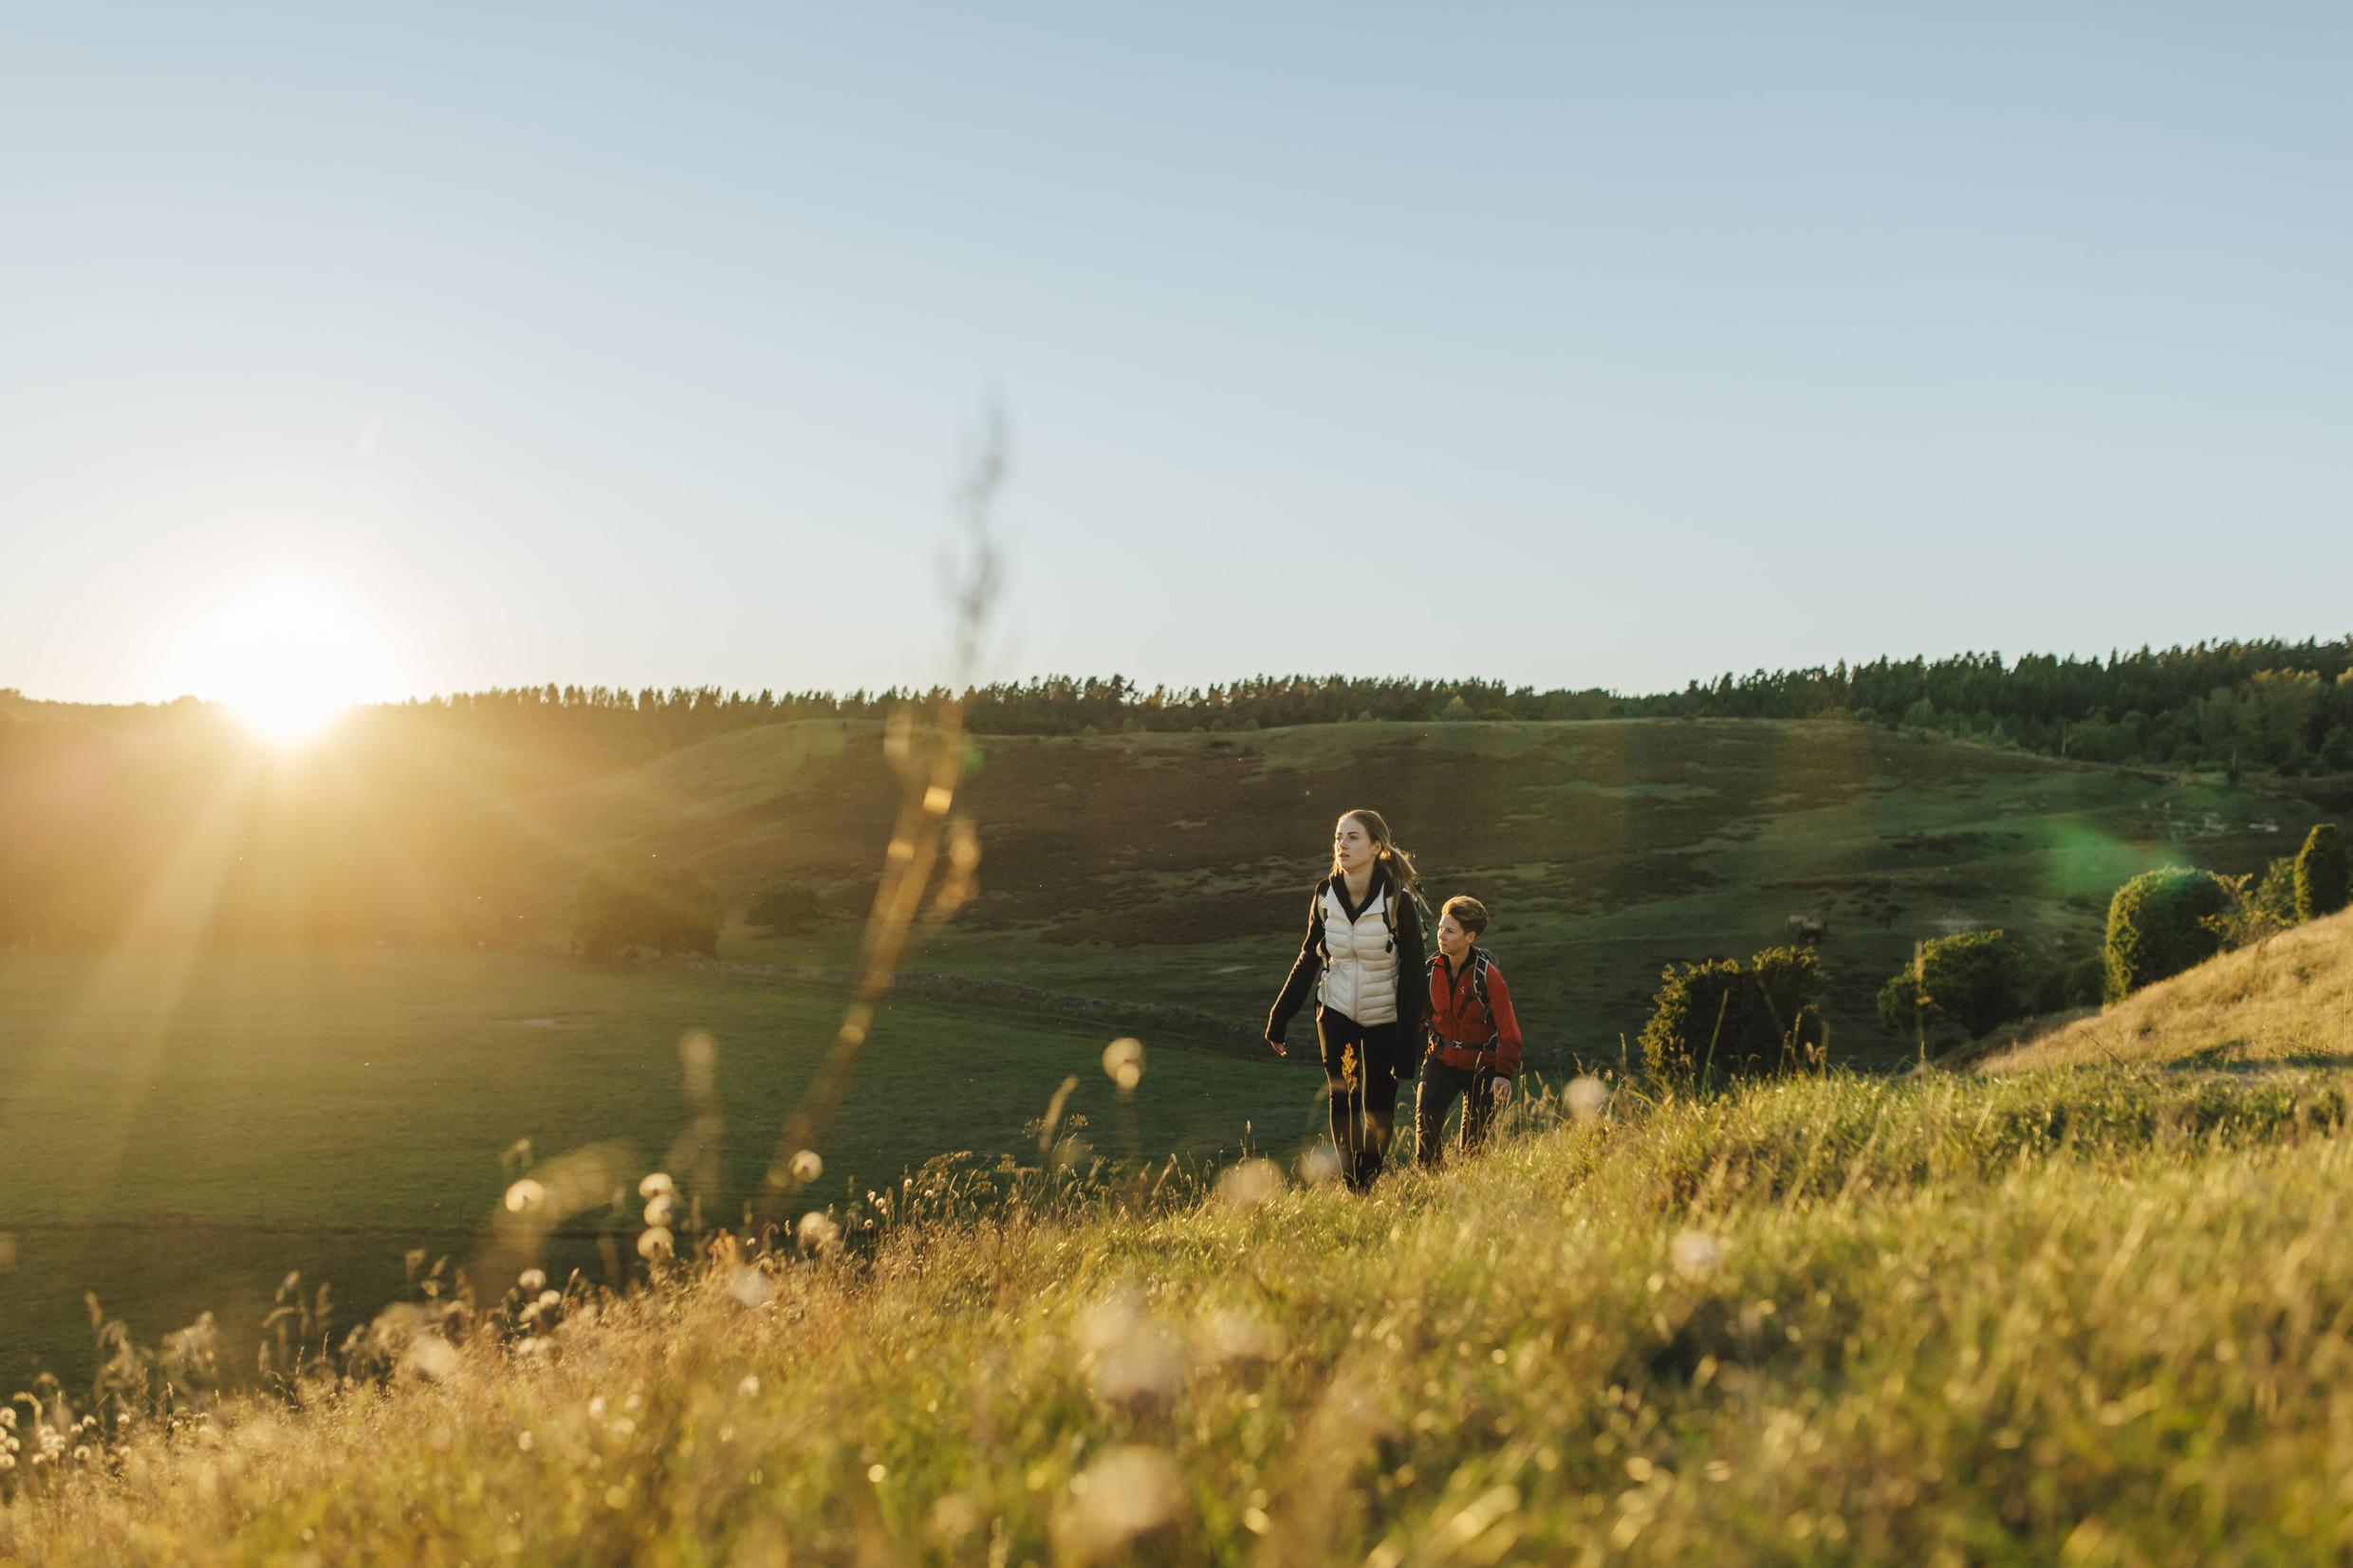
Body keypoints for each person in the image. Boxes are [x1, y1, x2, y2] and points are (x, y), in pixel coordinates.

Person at [1265, 808, 1428, 1190]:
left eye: (1353, 837)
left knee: (1378, 1109)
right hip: (1335, 1010)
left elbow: (1415, 978)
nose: (1342, 845)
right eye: (1339, 837)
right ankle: (1354, 1186)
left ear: (1376, 847)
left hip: (1384, 1015)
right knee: (1344, 1099)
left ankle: (1369, 1175)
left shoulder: (1397, 902)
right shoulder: (1324, 895)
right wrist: (1280, 1016)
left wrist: (1407, 1045)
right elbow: (1309, 956)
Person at [1414, 895, 1522, 1168]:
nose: (1441, 935)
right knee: (1426, 1126)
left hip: (1483, 1066)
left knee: (1473, 1150)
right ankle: (1431, 1188)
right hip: (1441, 1060)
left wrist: (1503, 1074)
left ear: (1470, 937)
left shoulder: (1488, 977)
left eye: (1450, 931)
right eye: (1440, 928)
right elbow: (1417, 1018)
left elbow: (1509, 1030)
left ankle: (1468, 1196)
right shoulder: (1429, 971)